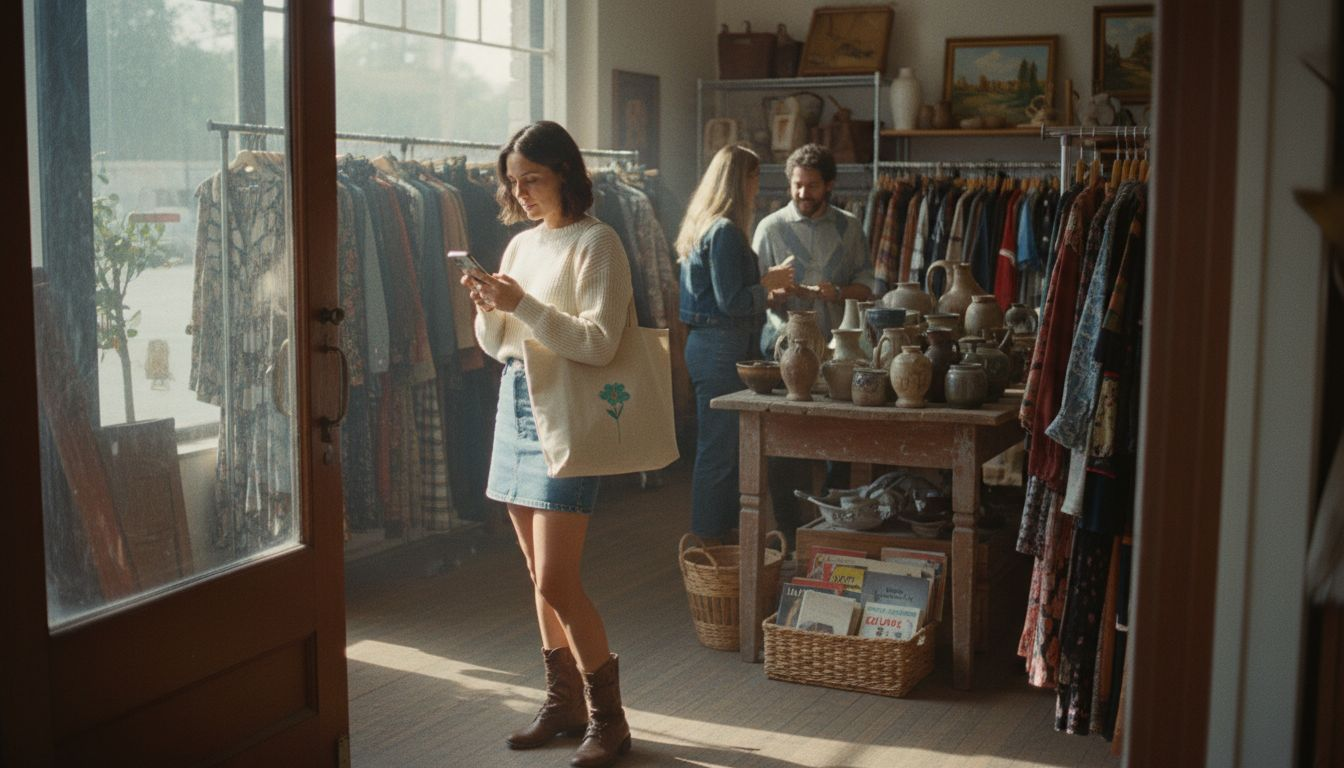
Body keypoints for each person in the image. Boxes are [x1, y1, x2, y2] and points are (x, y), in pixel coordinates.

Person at [464, 120, 632, 767]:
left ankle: (610, 719)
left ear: (565, 171)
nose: (522, 192)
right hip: (516, 404)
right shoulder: (517, 247)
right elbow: (498, 344)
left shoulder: (599, 243)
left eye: (532, 179)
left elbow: (598, 343)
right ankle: (563, 703)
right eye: (514, 182)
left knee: (560, 579)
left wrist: (523, 304)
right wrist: (487, 307)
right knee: (538, 577)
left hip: (566, 412)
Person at [752, 143, 875, 551]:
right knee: (787, 443)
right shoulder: (769, 228)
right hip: (783, 346)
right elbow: (754, 293)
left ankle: (834, 530)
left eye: (812, 186)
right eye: (797, 185)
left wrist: (835, 291)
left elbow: (869, 287)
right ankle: (790, 532)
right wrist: (776, 295)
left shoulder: (850, 227)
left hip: (840, 349)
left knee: (839, 440)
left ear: (830, 185)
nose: (803, 194)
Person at [674, 145, 795, 544]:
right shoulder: (725, 230)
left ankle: (719, 535)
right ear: (741, 179)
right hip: (722, 347)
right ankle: (711, 540)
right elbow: (733, 301)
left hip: (708, 344)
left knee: (720, 447)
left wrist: (762, 292)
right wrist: (769, 283)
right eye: (755, 177)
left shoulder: (704, 224)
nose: (758, 186)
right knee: (720, 450)